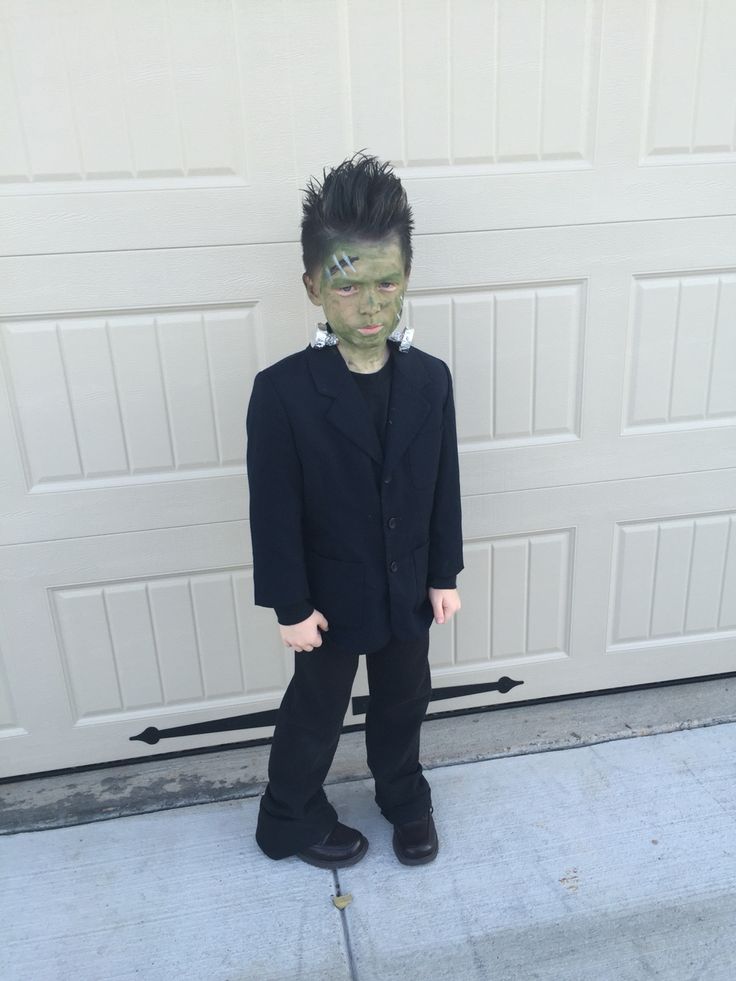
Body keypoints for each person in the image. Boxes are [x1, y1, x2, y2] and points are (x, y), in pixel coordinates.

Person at [245, 152, 463, 869]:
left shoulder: (430, 381)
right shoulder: (282, 393)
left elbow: (442, 486)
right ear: (313, 286)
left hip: (407, 591)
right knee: (316, 710)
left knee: (406, 698)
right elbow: (272, 512)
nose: (370, 305)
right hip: (328, 602)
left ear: (407, 278)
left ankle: (403, 793)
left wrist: (443, 572)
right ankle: (289, 815)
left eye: (387, 282)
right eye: (348, 286)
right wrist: (289, 606)